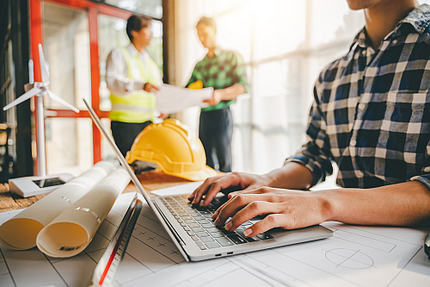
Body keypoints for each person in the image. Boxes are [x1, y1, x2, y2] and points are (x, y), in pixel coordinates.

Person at [189, 0, 430, 238]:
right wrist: (268, 179)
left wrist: (324, 203)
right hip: (346, 243)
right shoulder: (332, 75)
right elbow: (316, 155)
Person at [186, 16, 249, 172]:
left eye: (205, 34)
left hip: (222, 115)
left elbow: (243, 86)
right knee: (205, 161)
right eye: (198, 35)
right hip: (204, 116)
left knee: (224, 162)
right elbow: (186, 92)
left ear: (215, 31)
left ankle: (228, 195)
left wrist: (220, 94)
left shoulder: (232, 57)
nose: (201, 39)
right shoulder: (200, 66)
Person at [106, 14, 165, 157]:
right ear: (134, 31)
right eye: (147, 28)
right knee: (131, 168)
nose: (151, 33)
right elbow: (113, 83)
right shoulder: (119, 54)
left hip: (149, 123)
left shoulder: (150, 62)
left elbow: (159, 89)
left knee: (149, 169)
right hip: (125, 124)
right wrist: (140, 85)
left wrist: (164, 107)